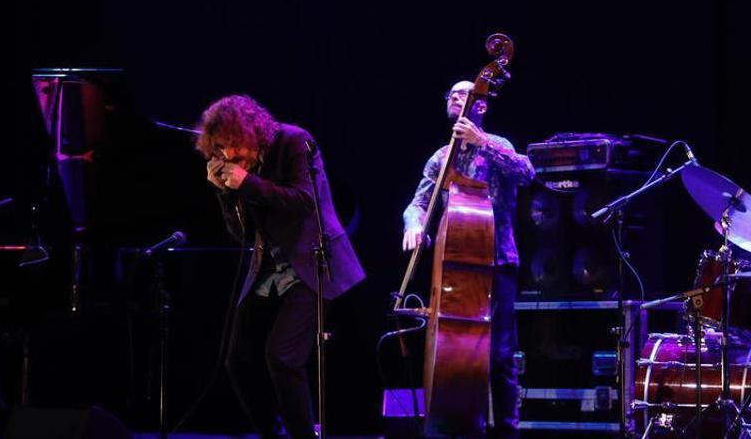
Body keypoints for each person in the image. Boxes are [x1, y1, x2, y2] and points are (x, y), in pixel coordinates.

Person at [198, 94, 365, 438]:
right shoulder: (243, 167)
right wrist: (225, 194)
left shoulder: (293, 141)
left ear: (248, 131)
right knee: (238, 360)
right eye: (221, 148)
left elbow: (304, 201)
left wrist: (247, 183)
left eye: (232, 144)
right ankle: (270, 433)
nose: (229, 155)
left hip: (313, 263)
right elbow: (240, 233)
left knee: (283, 357)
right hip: (269, 268)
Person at [402, 80, 535, 436]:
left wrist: (482, 141)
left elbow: (527, 172)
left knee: (500, 357)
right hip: (453, 267)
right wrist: (413, 224)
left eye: (465, 94)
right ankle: (453, 424)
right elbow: (417, 203)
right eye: (453, 94)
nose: (457, 98)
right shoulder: (440, 158)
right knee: (454, 352)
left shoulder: (498, 145)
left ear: (481, 106)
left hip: (498, 263)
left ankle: (507, 431)